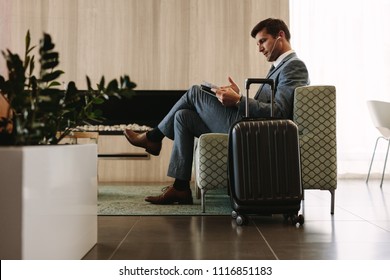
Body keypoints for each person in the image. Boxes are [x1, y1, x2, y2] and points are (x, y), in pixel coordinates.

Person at [124, 18, 309, 205]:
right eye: (258, 43)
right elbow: (267, 105)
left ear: (280, 36)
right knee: (183, 117)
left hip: (251, 132)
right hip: (248, 125)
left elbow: (279, 113)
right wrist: (237, 97)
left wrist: (239, 101)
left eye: (263, 41)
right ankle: (180, 188)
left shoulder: (294, 66)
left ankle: (154, 137)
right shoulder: (278, 67)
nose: (259, 48)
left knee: (195, 93)